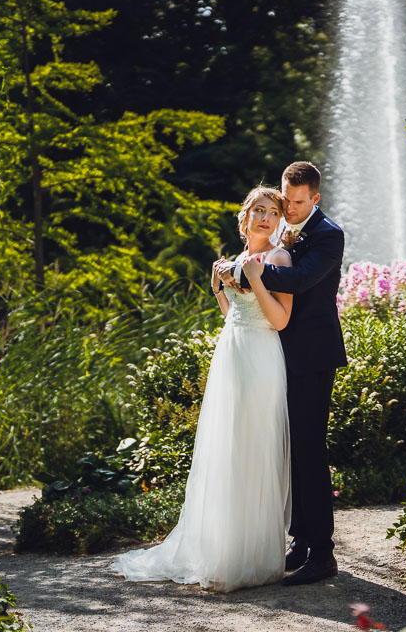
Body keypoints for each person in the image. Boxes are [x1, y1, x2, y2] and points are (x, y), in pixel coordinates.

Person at [110, 186, 293, 592]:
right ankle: (226, 550)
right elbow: (234, 315)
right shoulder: (237, 260)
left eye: (273, 212)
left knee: (255, 447)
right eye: (258, 210)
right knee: (227, 448)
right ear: (245, 218)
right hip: (232, 353)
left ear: (280, 221)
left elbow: (279, 320)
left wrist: (256, 281)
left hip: (263, 355)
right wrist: (218, 287)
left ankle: (256, 557)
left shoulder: (278, 259)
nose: (266, 217)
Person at [215, 161, 347, 587]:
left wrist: (244, 272)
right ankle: (301, 540)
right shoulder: (287, 230)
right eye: (285, 201)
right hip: (275, 354)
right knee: (288, 448)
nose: (288, 210)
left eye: (296, 202)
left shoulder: (329, 234)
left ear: (315, 199)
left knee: (309, 450)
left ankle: (323, 554)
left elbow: (302, 279)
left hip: (312, 356)